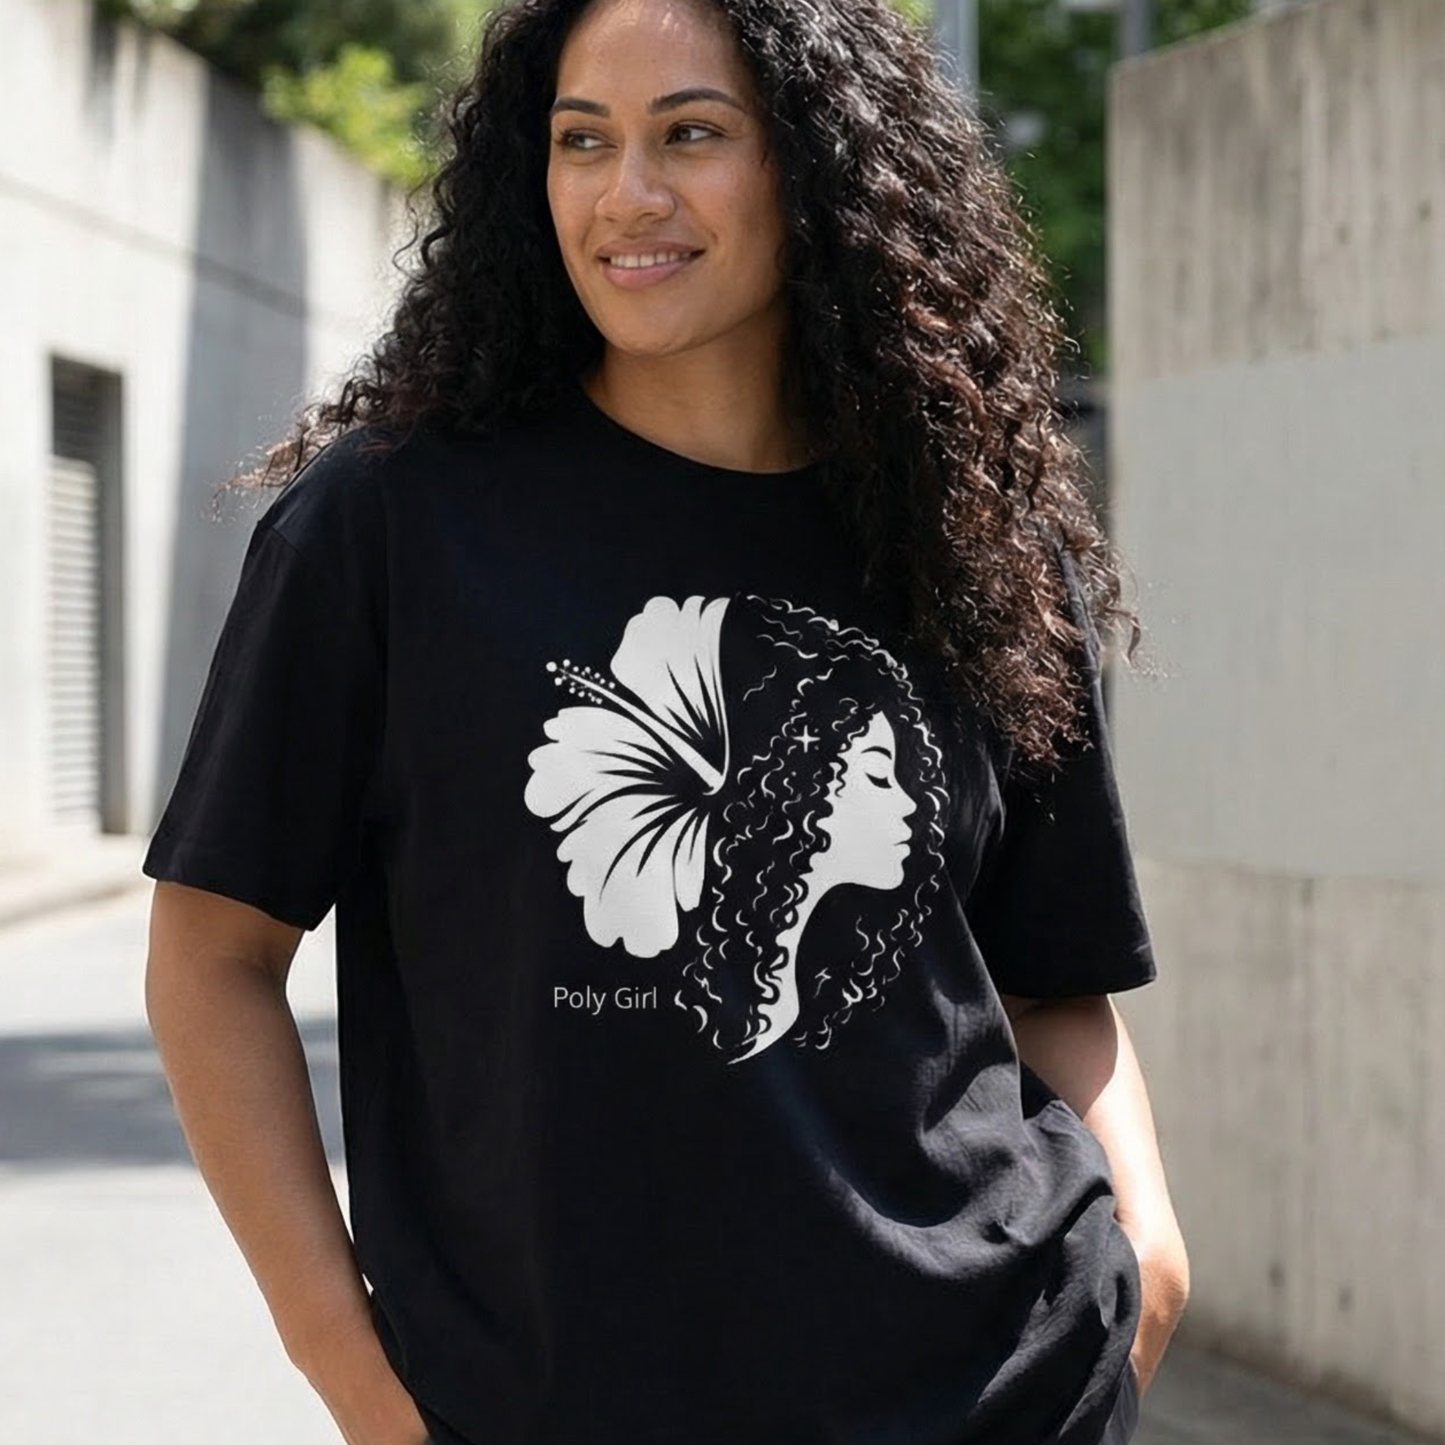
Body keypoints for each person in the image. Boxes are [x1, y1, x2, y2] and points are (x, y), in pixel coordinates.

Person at [140, 0, 1191, 1442]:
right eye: (584, 142)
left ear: (819, 164)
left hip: (989, 1394)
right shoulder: (391, 528)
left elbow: (1054, 984)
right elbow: (211, 958)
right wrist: (359, 1379)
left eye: (691, 134)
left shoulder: (971, 540)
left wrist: (1146, 1255)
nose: (627, 194)